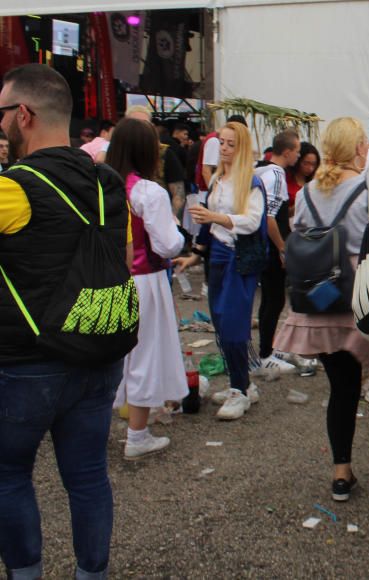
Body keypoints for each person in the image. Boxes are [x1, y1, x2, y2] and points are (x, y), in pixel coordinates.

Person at [0, 63, 131, 580]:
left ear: (23, 115)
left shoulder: (15, 188)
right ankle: (91, 574)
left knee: (9, 474)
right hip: (98, 350)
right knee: (88, 476)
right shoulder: (108, 182)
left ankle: (26, 574)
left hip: (26, 362)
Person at [273, 117, 369, 501]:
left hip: (323, 299)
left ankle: (341, 474)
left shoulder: (307, 192)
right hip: (365, 299)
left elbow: (303, 235)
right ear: (360, 148)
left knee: (342, 389)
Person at [174, 121, 266, 421]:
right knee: (220, 321)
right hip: (217, 256)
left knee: (234, 324)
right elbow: (206, 226)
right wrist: (194, 257)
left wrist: (216, 216)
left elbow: (252, 222)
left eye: (230, 144)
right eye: (221, 143)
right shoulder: (217, 179)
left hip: (240, 260)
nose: (224, 148)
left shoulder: (251, 181)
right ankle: (242, 384)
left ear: (241, 148)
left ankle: (240, 389)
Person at [106, 118, 186, 460]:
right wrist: (178, 230)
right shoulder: (148, 191)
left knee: (109, 354)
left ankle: (98, 430)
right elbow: (168, 245)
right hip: (144, 279)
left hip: (105, 278)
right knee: (144, 353)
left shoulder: (101, 184)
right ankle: (136, 435)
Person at [253, 130, 301, 372]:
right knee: (274, 300)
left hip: (263, 245)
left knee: (269, 300)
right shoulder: (277, 173)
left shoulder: (259, 168)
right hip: (272, 247)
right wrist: (282, 248)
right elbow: (270, 216)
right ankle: (266, 354)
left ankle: (266, 350)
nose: (299, 155)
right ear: (287, 151)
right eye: (297, 151)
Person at [286, 141, 319, 213]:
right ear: (297, 160)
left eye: (314, 164)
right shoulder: (286, 180)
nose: (310, 168)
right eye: (306, 163)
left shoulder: (316, 183)